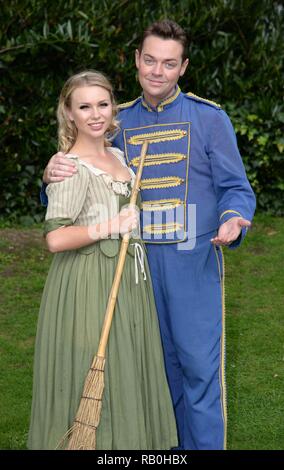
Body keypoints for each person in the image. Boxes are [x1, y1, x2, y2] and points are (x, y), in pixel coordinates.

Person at [42, 20, 256, 450]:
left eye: (169, 63)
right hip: (132, 266)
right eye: (150, 60)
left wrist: (232, 219)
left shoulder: (209, 118)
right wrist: (49, 175)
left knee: (198, 369)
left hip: (191, 261)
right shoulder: (117, 120)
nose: (158, 71)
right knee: (152, 373)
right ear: (137, 61)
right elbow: (83, 171)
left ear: (183, 67)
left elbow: (236, 187)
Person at [28, 70, 178, 450]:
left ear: (113, 107)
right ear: (69, 113)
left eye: (102, 104)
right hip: (86, 285)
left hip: (127, 281)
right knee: (92, 371)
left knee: (127, 368)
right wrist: (110, 225)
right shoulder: (68, 166)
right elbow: (56, 238)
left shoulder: (118, 156)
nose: (95, 114)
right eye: (84, 106)